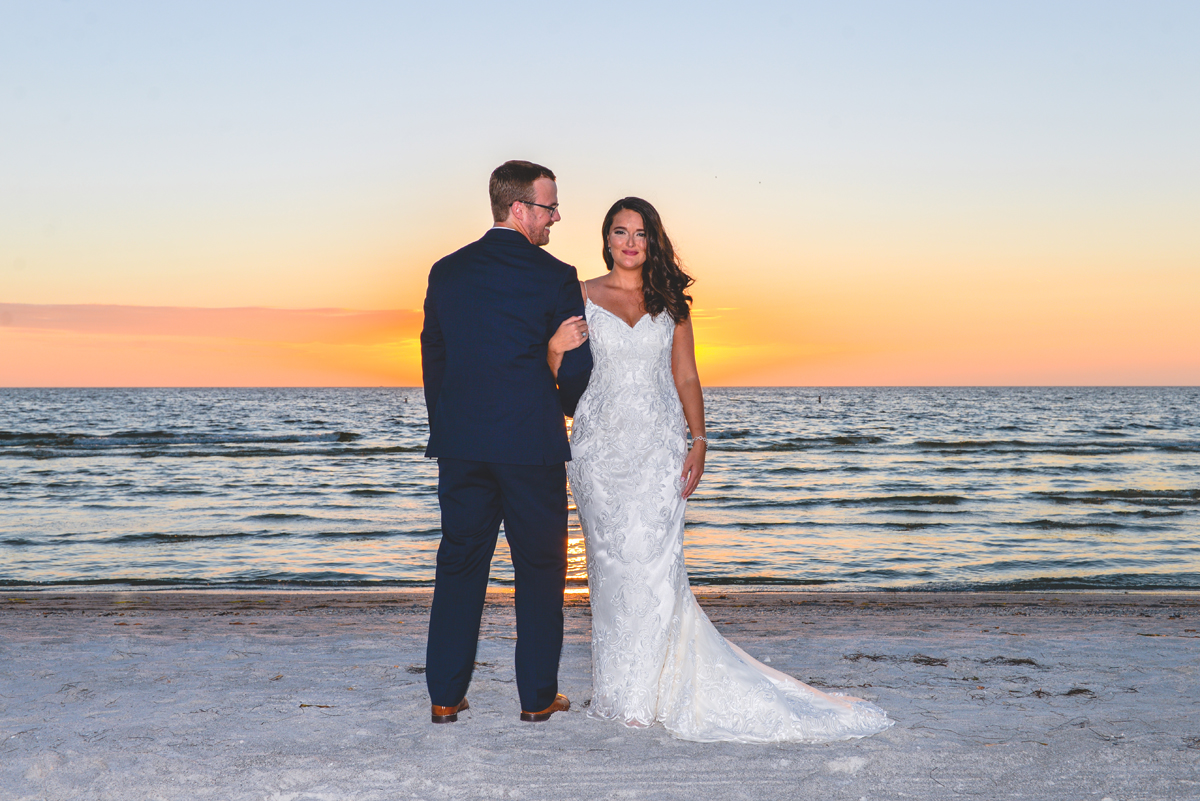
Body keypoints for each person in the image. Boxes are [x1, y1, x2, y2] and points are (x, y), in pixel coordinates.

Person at [551, 197, 893, 743]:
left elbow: (686, 377)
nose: (631, 242)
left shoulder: (672, 305)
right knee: (613, 568)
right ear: (606, 240)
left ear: (653, 240)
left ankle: (652, 692)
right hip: (601, 450)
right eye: (620, 232)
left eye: (641, 233)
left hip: (661, 447)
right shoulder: (580, 295)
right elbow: (558, 369)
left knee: (658, 568)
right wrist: (552, 345)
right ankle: (622, 692)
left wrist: (700, 439)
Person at [420, 160, 593, 724]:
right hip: (530, 445)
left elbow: (435, 360)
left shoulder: (446, 272)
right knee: (540, 570)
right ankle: (536, 697)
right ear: (518, 209)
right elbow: (578, 367)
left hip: (462, 445)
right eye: (549, 206)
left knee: (460, 564)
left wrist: (448, 429)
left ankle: (445, 695)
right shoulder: (555, 275)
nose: (556, 216)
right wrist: (556, 400)